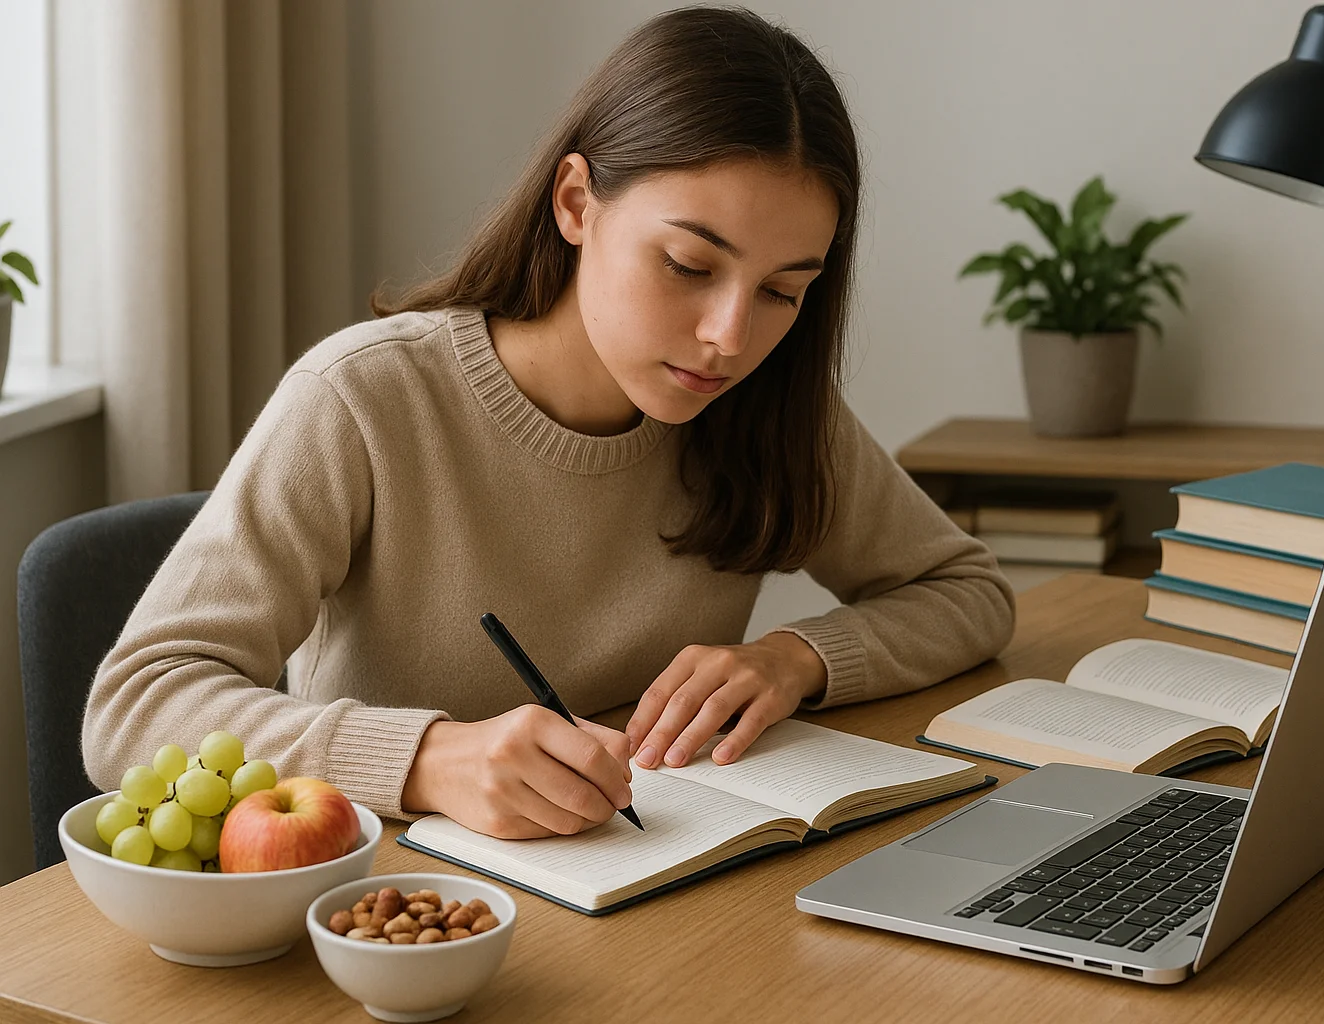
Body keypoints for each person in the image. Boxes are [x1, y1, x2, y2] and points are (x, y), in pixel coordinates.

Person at [82, 6, 1014, 841]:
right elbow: (133, 707)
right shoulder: (364, 400)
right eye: (690, 263)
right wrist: (426, 760)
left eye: (782, 291)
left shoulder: (763, 408)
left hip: (654, 876)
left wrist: (795, 657)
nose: (729, 337)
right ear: (576, 203)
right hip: (404, 907)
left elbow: (967, 590)